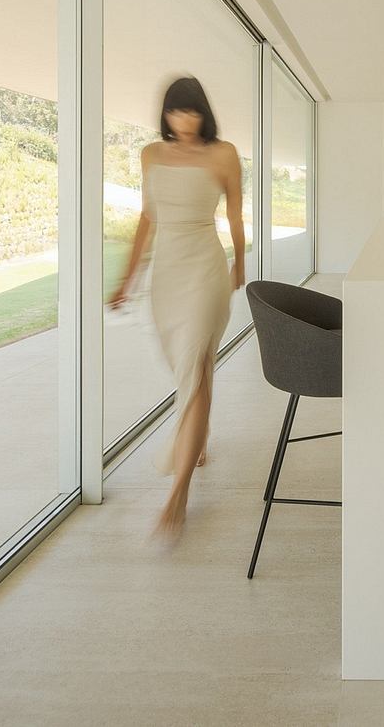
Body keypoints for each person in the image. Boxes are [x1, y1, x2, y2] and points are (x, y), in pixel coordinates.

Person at [109, 76, 246, 537]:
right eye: (175, 112)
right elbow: (147, 218)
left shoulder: (222, 154)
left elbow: (234, 215)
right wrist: (128, 279)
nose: (184, 120)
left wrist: (240, 265)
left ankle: (180, 490)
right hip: (167, 275)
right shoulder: (151, 154)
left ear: (204, 113)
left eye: (191, 112)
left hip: (205, 271)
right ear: (164, 115)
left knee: (195, 365)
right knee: (186, 367)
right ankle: (198, 439)